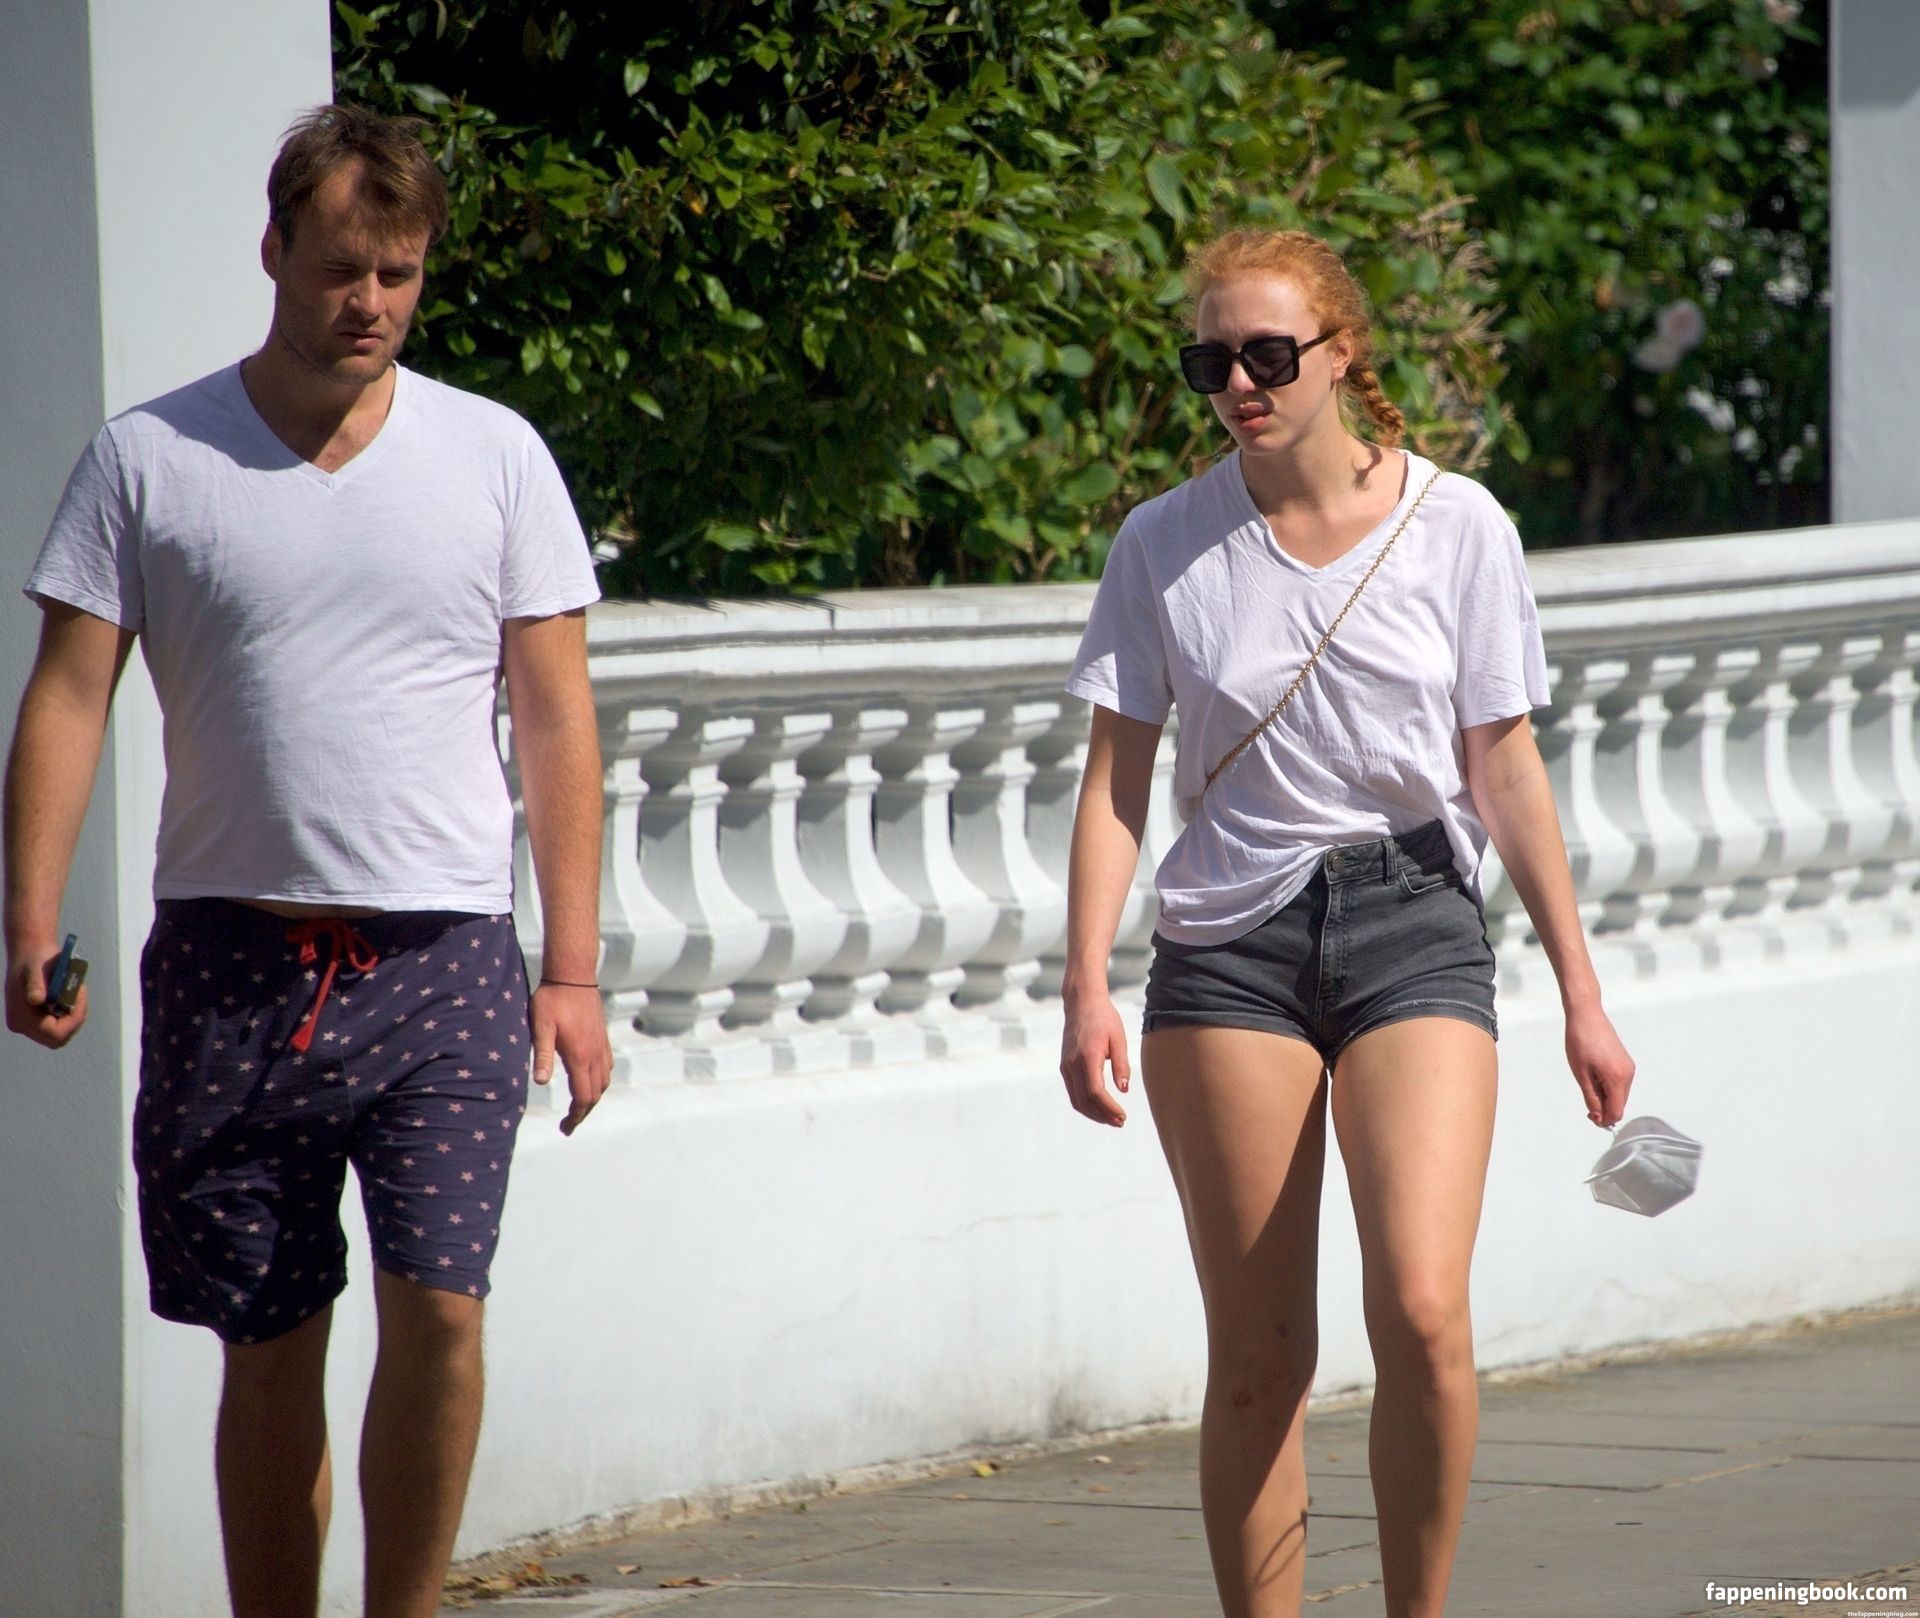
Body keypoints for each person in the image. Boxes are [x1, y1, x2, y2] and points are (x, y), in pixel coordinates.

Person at [3, 105, 612, 1618]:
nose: (371, 302)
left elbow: (557, 719)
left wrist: (576, 969)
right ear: (273, 249)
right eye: (343, 267)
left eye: (399, 273)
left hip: (445, 966)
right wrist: (31, 921)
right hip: (231, 966)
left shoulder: (496, 455)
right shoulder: (149, 456)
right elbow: (69, 695)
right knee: (268, 1345)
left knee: (444, 1312)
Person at [1057, 228, 1636, 1618]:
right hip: (1227, 951)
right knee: (1261, 1356)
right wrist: (1083, 984)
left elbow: (1505, 765)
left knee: (1424, 1311)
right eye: (1211, 362)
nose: (1239, 385)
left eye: (1269, 354)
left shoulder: (1460, 525)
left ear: (1343, 352)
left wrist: (1581, 989)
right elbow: (1117, 779)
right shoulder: (1164, 542)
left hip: (1413, 921)